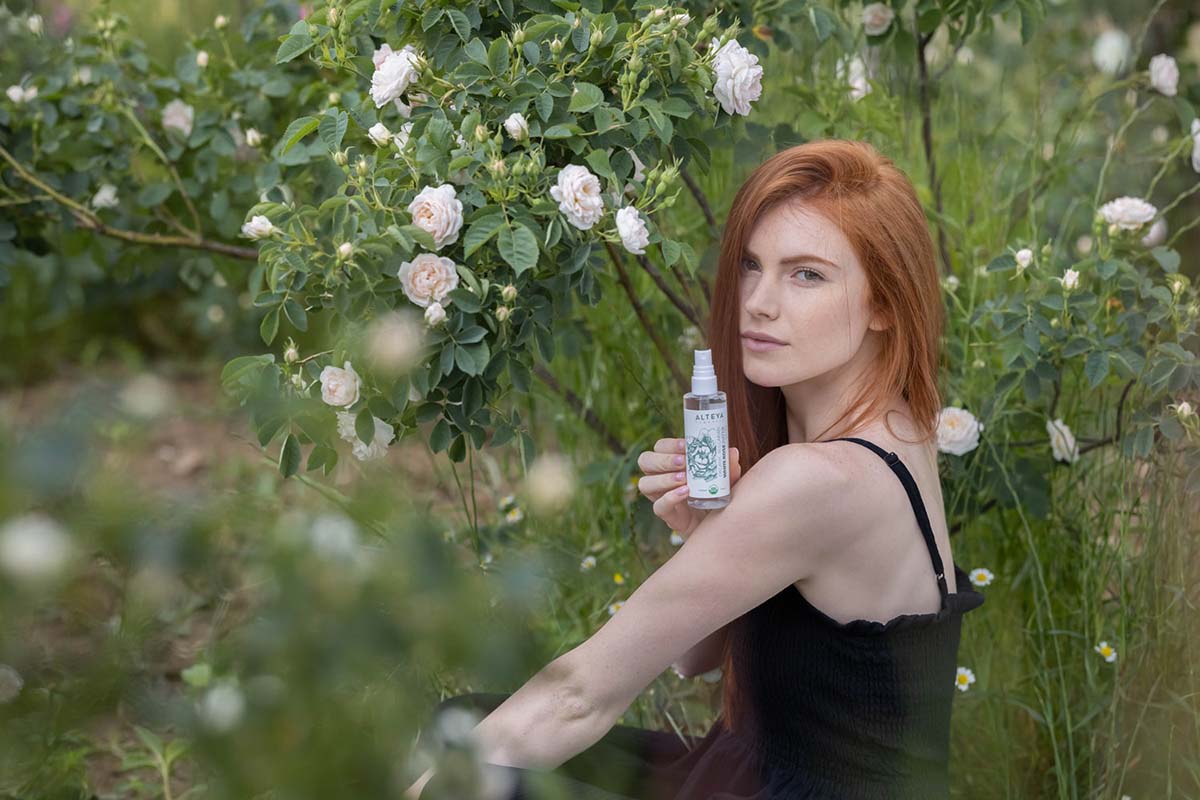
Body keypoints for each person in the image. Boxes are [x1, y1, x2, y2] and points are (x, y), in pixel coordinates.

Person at [407, 139, 985, 799]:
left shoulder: (818, 481)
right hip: (763, 772)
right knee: (467, 725)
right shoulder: (901, 427)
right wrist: (711, 529)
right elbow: (695, 660)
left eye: (807, 275)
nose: (759, 302)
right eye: (749, 265)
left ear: (884, 303)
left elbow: (580, 696)